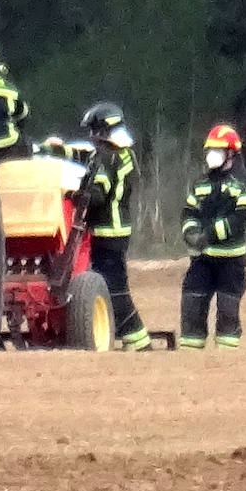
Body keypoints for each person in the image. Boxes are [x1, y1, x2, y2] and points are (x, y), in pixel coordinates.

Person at [77, 101, 151, 351]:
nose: (92, 137)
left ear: (103, 130)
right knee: (112, 286)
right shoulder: (124, 154)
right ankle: (131, 339)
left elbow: (98, 194)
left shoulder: (106, 158)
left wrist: (78, 197)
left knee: (114, 289)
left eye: (94, 131)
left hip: (107, 232)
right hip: (117, 232)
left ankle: (139, 343)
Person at [179, 124, 246, 350]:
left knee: (228, 313)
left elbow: (241, 219)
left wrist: (208, 235)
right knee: (191, 305)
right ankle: (190, 356)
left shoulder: (244, 185)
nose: (211, 155)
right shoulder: (201, 183)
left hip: (231, 262)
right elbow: (188, 212)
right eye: (210, 150)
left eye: (218, 150)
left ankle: (226, 365)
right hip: (202, 261)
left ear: (231, 153)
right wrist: (191, 233)